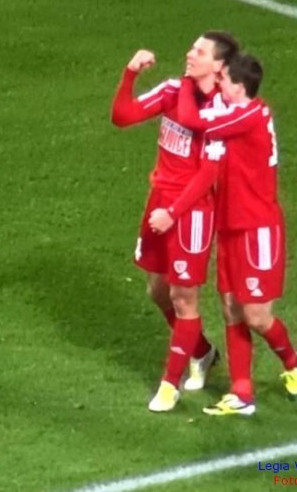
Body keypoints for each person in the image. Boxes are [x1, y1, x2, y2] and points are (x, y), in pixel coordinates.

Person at [165, 54, 297, 415]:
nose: (218, 84)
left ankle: (292, 361)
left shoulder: (249, 115)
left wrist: (186, 83)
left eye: (223, 79)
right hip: (229, 226)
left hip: (258, 228)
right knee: (230, 309)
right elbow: (209, 167)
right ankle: (241, 393)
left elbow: (192, 120)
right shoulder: (230, 117)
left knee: (256, 316)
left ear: (239, 87)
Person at [110, 32, 239, 412]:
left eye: (199, 51)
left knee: (184, 298)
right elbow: (123, 117)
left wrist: (174, 213)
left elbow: (208, 174)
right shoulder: (171, 90)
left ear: (219, 65)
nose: (189, 53)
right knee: (157, 291)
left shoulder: (223, 110)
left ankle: (169, 386)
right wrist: (130, 74)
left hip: (192, 211)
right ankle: (202, 352)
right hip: (160, 202)